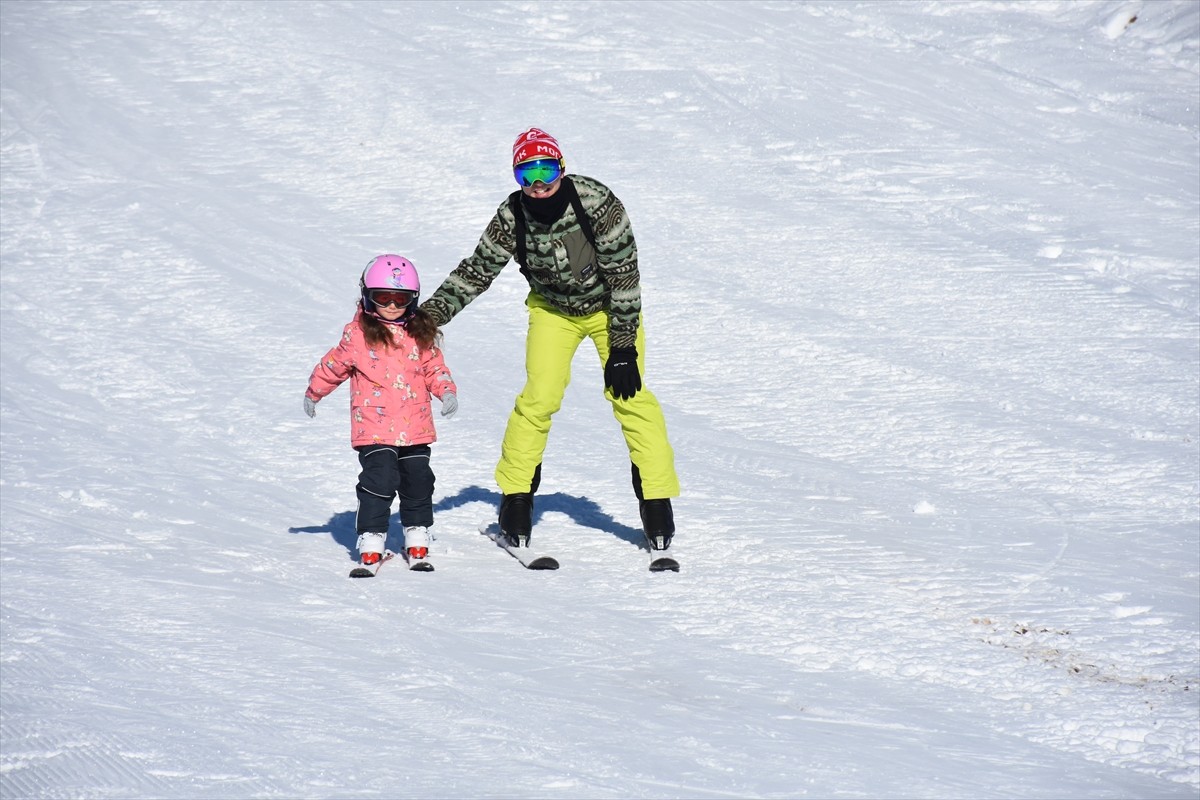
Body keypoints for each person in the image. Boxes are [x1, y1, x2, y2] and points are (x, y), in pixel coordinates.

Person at [420, 128, 679, 553]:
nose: (538, 186)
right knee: (538, 398)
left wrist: (623, 346)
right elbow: (476, 271)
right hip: (553, 311)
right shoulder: (513, 215)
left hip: (608, 309)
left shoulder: (596, 203)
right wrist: (427, 318)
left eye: (545, 170)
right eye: (526, 174)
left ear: (561, 167)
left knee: (631, 398)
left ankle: (656, 503)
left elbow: (624, 276)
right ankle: (516, 500)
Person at [304, 254, 458, 569]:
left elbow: (434, 368)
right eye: (382, 297)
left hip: (415, 425)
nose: (390, 305)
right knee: (381, 478)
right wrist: (314, 392)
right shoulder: (358, 334)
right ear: (367, 297)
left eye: (399, 298)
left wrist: (447, 392)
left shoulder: (419, 334)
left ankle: (417, 532)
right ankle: (372, 538)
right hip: (373, 427)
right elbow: (334, 365)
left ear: (412, 300)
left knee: (418, 479)